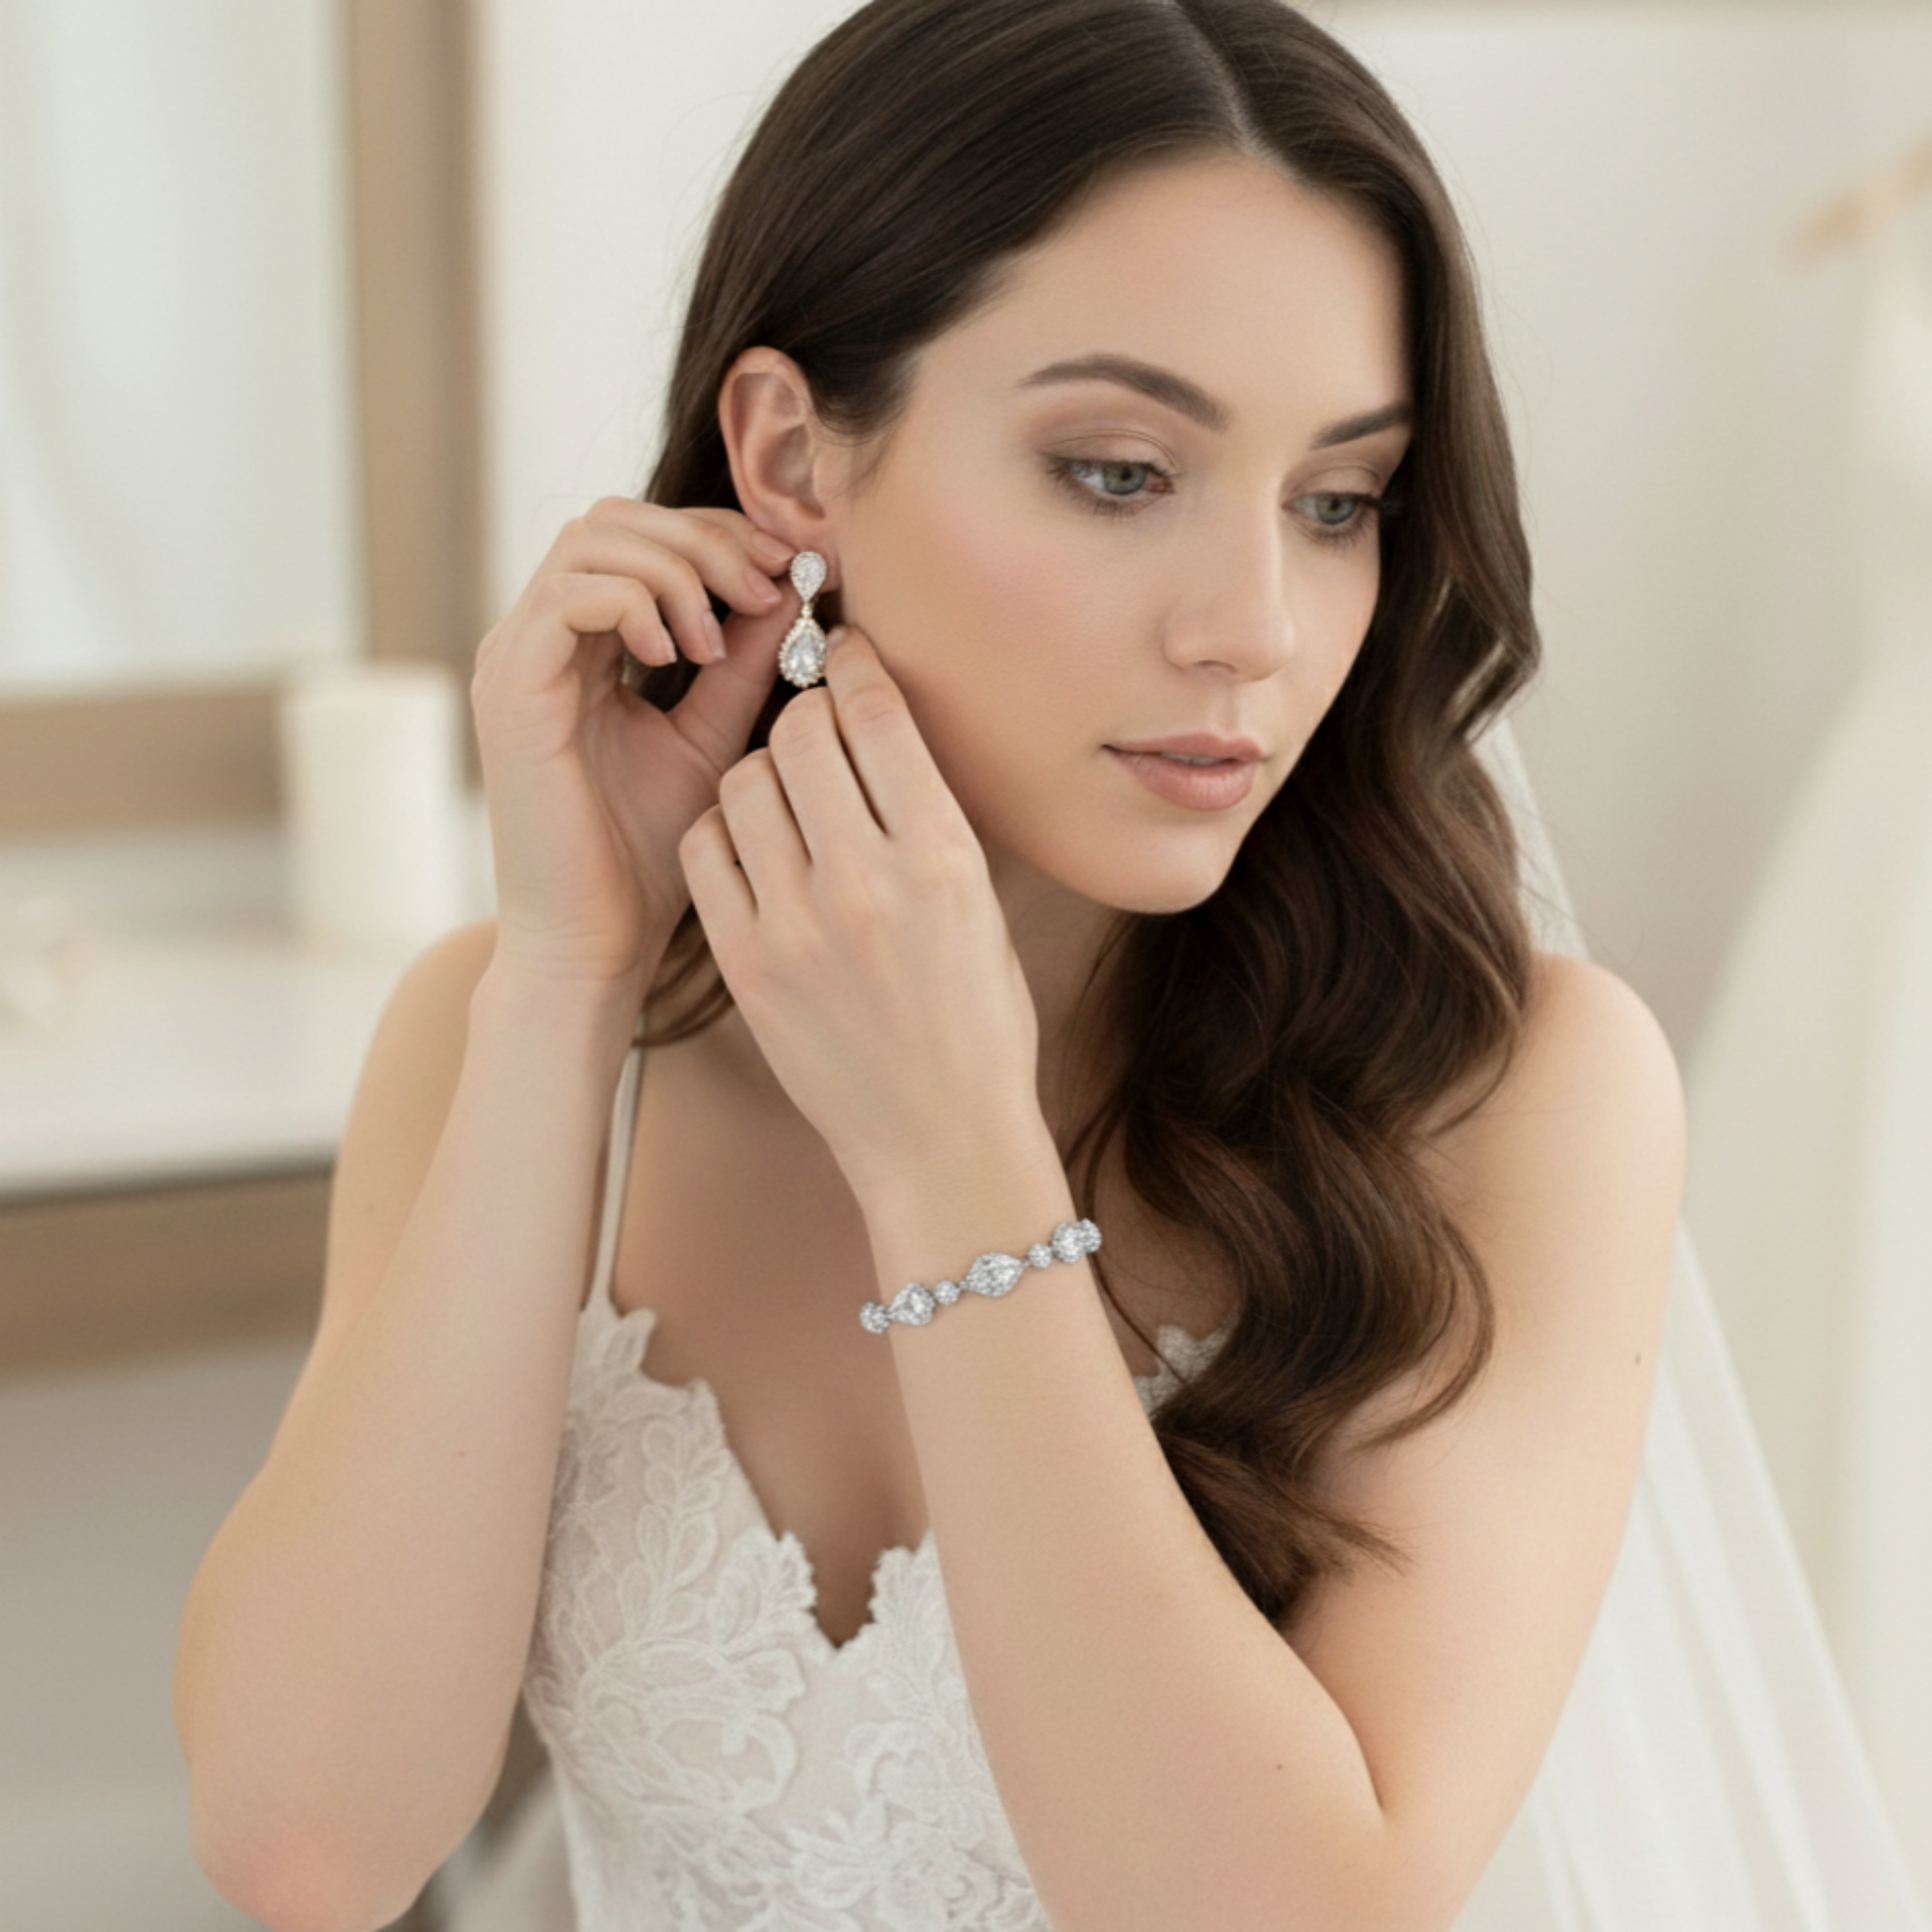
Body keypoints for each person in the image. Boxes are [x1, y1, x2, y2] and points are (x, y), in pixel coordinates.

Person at [175, 2, 1717, 1926]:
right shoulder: (508, 1029)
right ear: (789, 457)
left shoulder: (1513, 1093)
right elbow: (307, 1845)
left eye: (1336, 501)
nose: (1253, 625)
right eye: (1121, 470)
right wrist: (567, 980)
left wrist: (950, 1153)